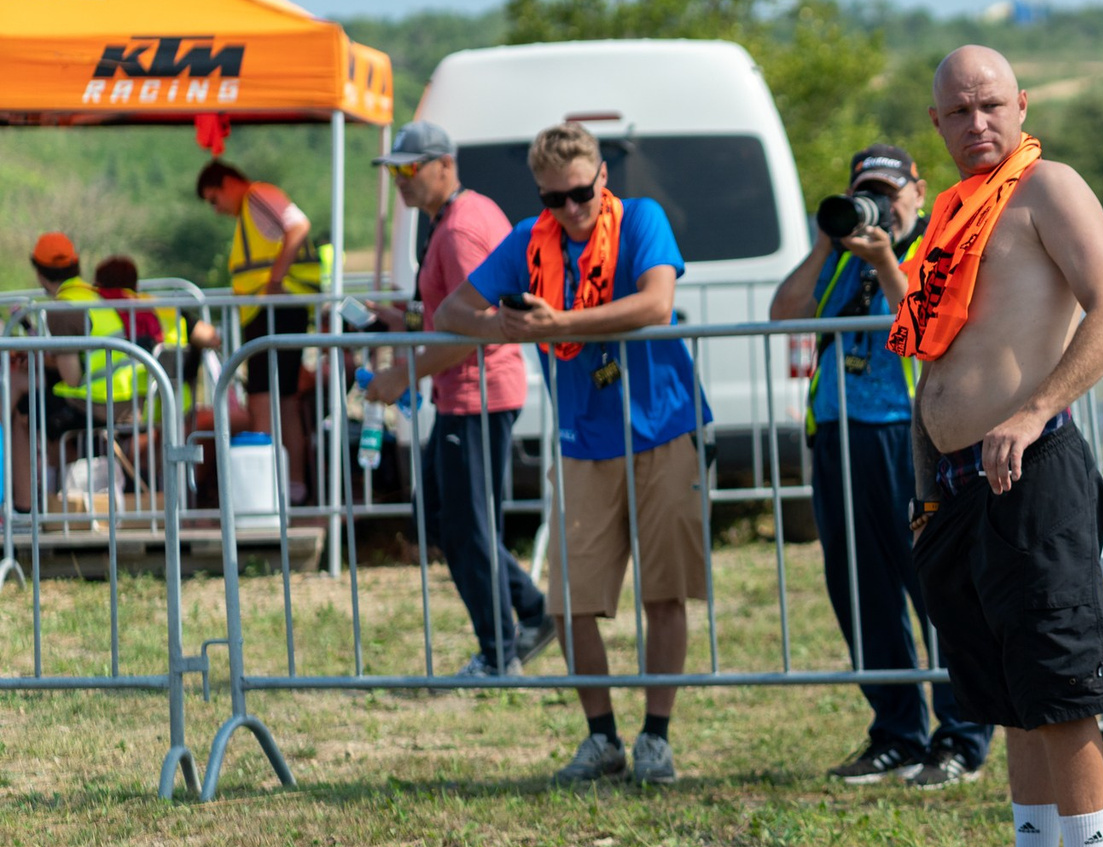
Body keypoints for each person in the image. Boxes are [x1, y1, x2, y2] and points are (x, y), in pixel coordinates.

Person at [896, 47, 1103, 847]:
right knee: (1010, 695)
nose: (976, 124)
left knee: (1061, 688)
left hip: (1032, 470)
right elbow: (943, 352)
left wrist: (1034, 412)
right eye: (957, 112)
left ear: (1021, 104)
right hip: (959, 486)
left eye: (990, 105)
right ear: (938, 125)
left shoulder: (1048, 188)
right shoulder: (952, 214)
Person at [437, 122, 707, 784]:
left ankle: (656, 737)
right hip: (583, 436)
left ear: (601, 179)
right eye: (552, 198)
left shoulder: (642, 218)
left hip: (662, 425)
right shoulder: (530, 239)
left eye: (579, 194)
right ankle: (601, 738)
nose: (569, 209)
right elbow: (450, 311)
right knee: (569, 601)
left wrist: (557, 325)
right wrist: (501, 324)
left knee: (664, 591)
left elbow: (655, 303)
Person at [769, 144, 987, 789]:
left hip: (914, 438)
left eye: (891, 194)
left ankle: (960, 734)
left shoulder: (936, 249)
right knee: (859, 589)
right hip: (839, 435)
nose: (881, 207)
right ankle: (895, 730)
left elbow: (926, 326)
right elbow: (783, 314)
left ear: (919, 193)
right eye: (867, 192)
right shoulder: (841, 259)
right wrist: (825, 243)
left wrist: (887, 260)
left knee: (938, 588)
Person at [365, 122, 555, 680]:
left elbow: (481, 329)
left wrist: (404, 373)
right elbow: (454, 311)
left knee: (466, 530)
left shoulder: (459, 229)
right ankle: (536, 615)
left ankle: (500, 654)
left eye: (410, 167)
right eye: (395, 170)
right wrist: (402, 319)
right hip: (465, 394)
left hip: (477, 395)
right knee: (449, 522)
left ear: (444, 164)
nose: (400, 180)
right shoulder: (453, 220)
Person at [196, 160, 326, 504]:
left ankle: (268, 490)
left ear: (226, 183)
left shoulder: (259, 195)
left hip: (275, 311)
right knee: (282, 402)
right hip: (275, 312)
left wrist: (275, 282)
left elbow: (297, 226)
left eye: (213, 199)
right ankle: (291, 487)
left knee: (265, 402)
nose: (216, 210)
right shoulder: (253, 208)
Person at [8, 233, 129, 512]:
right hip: (126, 397)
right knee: (35, 402)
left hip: (97, 402)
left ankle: (25, 509)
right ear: (75, 265)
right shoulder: (91, 294)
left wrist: (38, 356)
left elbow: (72, 376)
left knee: (23, 415)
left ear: (39, 272)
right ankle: (53, 499)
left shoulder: (61, 308)